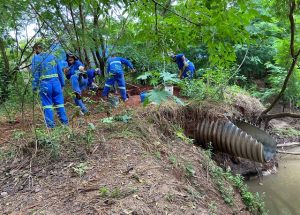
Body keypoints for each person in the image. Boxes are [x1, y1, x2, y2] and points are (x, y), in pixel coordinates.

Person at [31, 43, 68, 128]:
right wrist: (62, 84)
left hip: (45, 85)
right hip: (56, 84)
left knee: (47, 105)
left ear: (37, 49)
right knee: (60, 104)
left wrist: (35, 88)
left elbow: (35, 74)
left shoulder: (36, 58)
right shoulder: (53, 56)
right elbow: (60, 72)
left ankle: (51, 126)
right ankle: (65, 123)